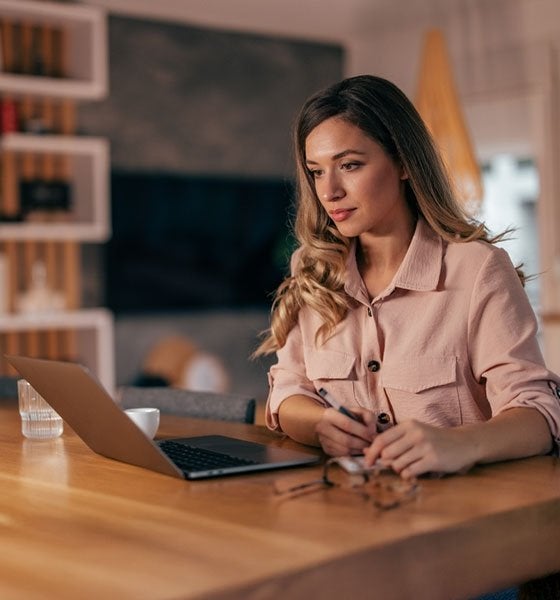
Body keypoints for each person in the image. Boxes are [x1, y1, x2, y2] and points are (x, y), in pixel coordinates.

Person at [254, 74, 560, 479]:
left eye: (349, 165)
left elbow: (541, 413)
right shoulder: (313, 271)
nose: (329, 191)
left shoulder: (477, 269)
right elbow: (290, 393)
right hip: (350, 509)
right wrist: (320, 425)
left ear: (401, 162)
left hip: (461, 517)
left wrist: (460, 443)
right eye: (316, 171)